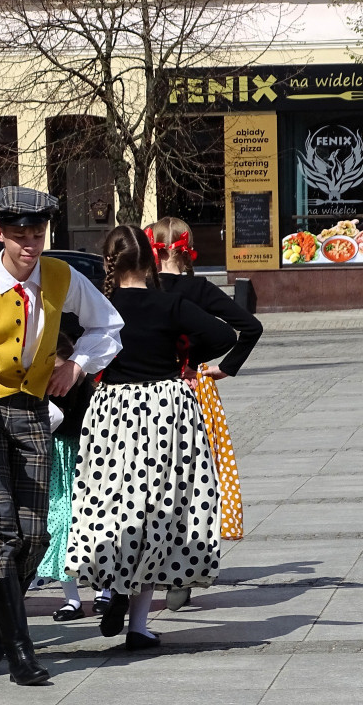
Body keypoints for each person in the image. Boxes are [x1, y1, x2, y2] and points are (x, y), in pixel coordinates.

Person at [0, 186, 123, 686]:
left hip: (31, 409)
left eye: (37, 234)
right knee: (0, 530)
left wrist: (76, 365)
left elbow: (108, 326)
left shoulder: (60, 276)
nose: (30, 244)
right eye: (20, 235)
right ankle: (19, 651)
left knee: (34, 533)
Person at [65, 225, 236, 651]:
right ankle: (139, 626)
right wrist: (185, 355)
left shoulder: (99, 307)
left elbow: (64, 341)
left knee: (111, 506)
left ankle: (111, 587)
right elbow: (226, 334)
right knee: (156, 514)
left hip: (111, 412)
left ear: (109, 263)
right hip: (164, 411)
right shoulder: (170, 303)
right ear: (153, 261)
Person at [148, 216, 263, 609]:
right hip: (194, 389)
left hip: (146, 393)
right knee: (193, 483)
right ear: (188, 247)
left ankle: (144, 563)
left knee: (149, 482)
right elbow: (250, 327)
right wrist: (225, 366)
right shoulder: (199, 288)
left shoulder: (143, 287)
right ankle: (182, 570)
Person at [36, 332, 111, 621]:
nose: (55, 377)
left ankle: (105, 591)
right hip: (57, 459)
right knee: (58, 521)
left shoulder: (92, 392)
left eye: (59, 370)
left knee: (95, 524)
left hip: (87, 458)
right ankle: (72, 598)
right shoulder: (44, 389)